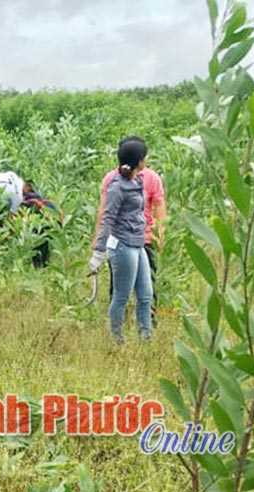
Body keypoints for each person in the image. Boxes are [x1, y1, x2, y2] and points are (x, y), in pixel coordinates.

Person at [90, 138, 153, 343]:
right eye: (144, 157)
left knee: (146, 295)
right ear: (138, 161)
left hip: (138, 243)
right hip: (123, 246)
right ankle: (116, 340)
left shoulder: (138, 180)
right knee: (122, 296)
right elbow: (108, 218)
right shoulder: (117, 186)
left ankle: (146, 338)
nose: (147, 160)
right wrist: (99, 252)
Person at [96, 136, 166, 320]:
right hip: (120, 241)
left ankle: (147, 327)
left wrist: (159, 234)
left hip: (145, 240)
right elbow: (106, 213)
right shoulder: (113, 181)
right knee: (120, 289)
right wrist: (99, 244)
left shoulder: (150, 179)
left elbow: (159, 207)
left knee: (147, 289)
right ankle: (118, 331)